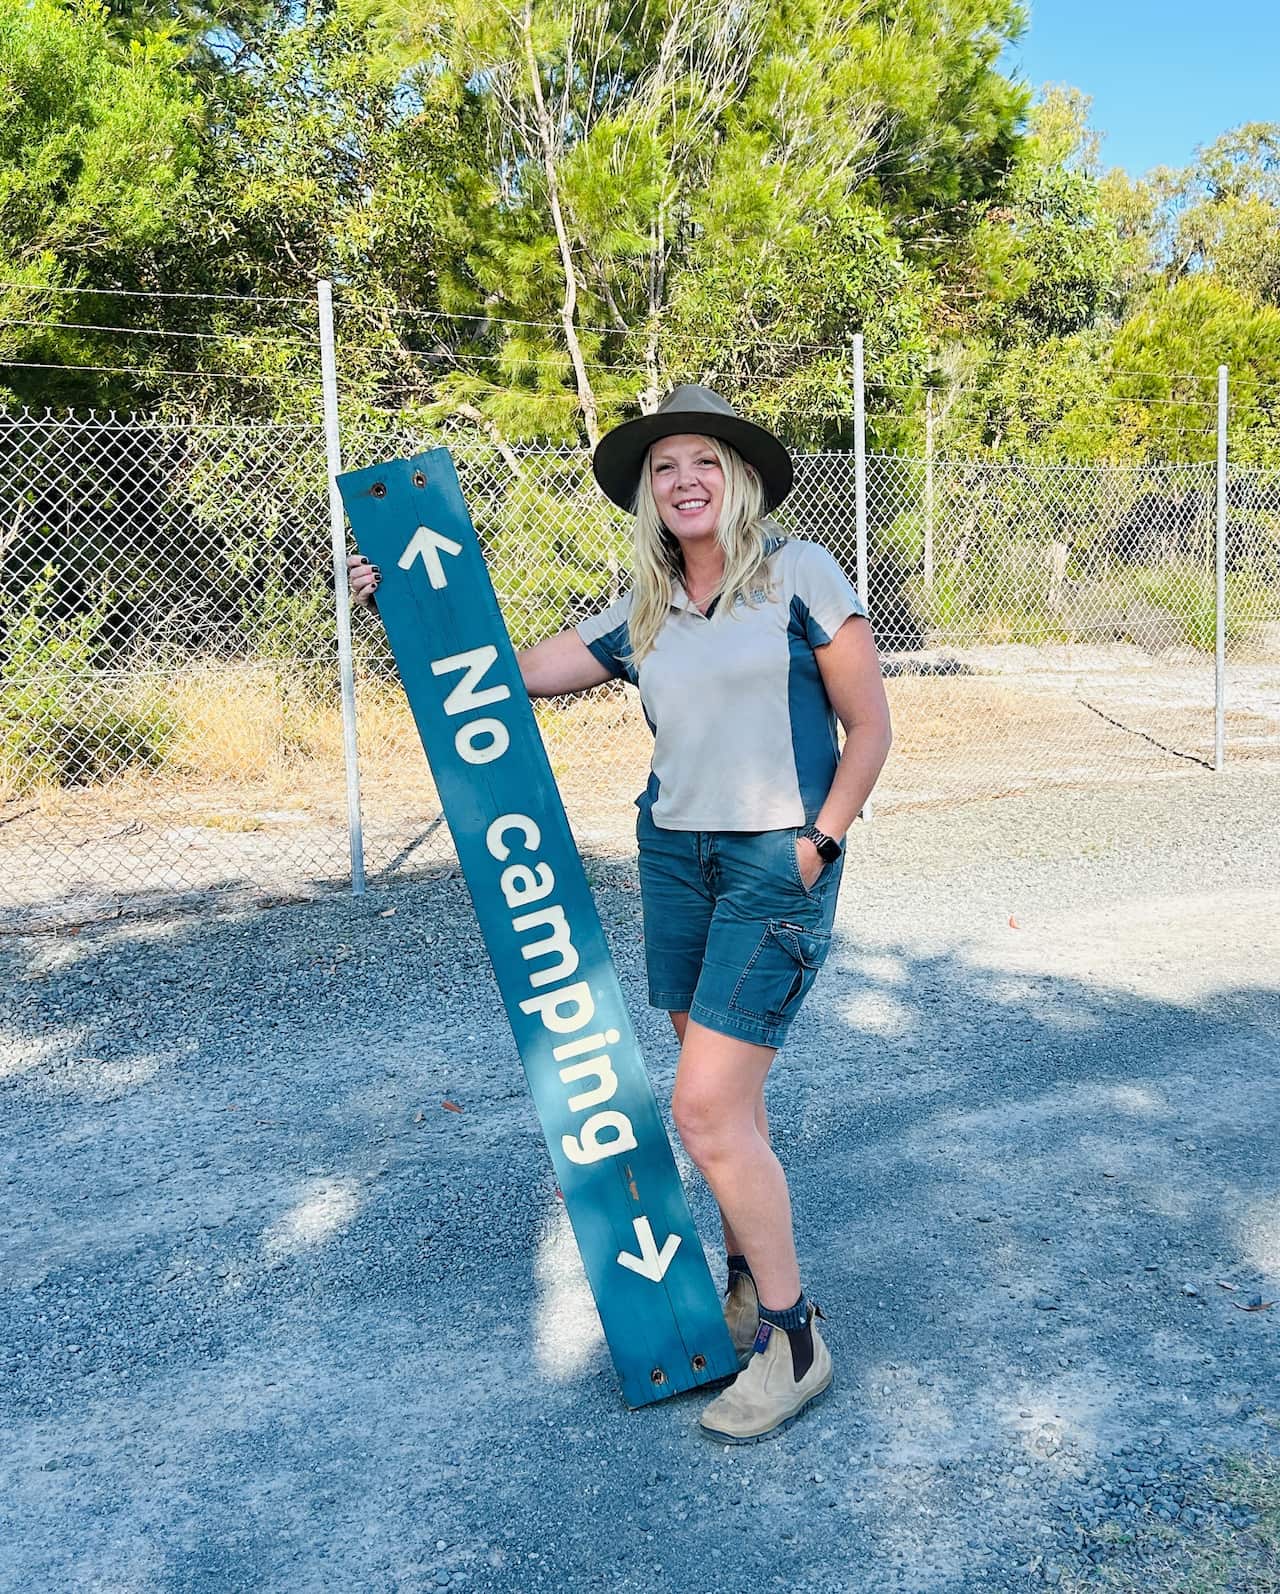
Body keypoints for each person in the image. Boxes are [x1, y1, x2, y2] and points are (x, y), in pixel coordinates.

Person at [348, 385, 892, 1442]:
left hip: (773, 866)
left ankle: (791, 1339)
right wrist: (397, 607)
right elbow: (502, 675)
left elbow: (867, 725)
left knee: (700, 1111)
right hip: (673, 859)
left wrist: (818, 838)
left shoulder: (799, 573)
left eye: (702, 461)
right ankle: (742, 1276)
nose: (683, 480)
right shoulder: (640, 605)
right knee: (727, 1106)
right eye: (662, 467)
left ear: (735, 479)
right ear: (648, 492)